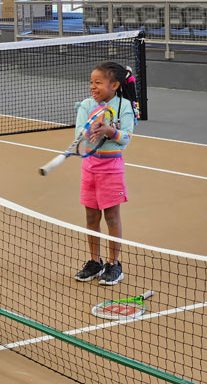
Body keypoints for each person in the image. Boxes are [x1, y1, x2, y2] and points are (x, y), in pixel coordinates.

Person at [73, 62, 137, 286]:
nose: (92, 86)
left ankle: (113, 264)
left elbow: (126, 138)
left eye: (98, 82)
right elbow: (79, 132)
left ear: (114, 85)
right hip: (89, 167)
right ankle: (94, 262)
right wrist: (91, 127)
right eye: (91, 82)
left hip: (111, 168)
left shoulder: (124, 106)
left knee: (111, 217)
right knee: (91, 217)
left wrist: (110, 130)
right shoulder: (86, 105)